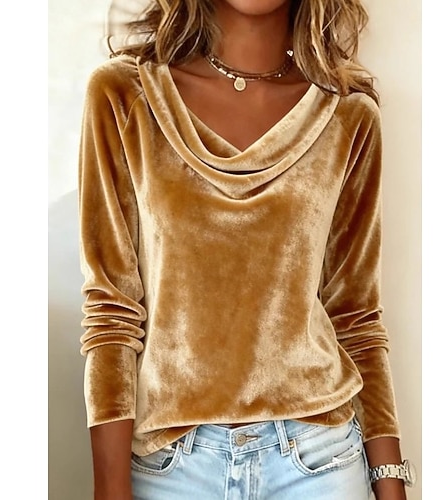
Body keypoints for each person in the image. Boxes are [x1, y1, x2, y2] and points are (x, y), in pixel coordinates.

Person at [78, 1, 415, 499]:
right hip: (172, 467)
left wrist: (390, 482)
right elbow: (111, 310)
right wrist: (110, 488)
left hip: (318, 462)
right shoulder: (125, 96)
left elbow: (356, 315)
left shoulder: (348, 115)